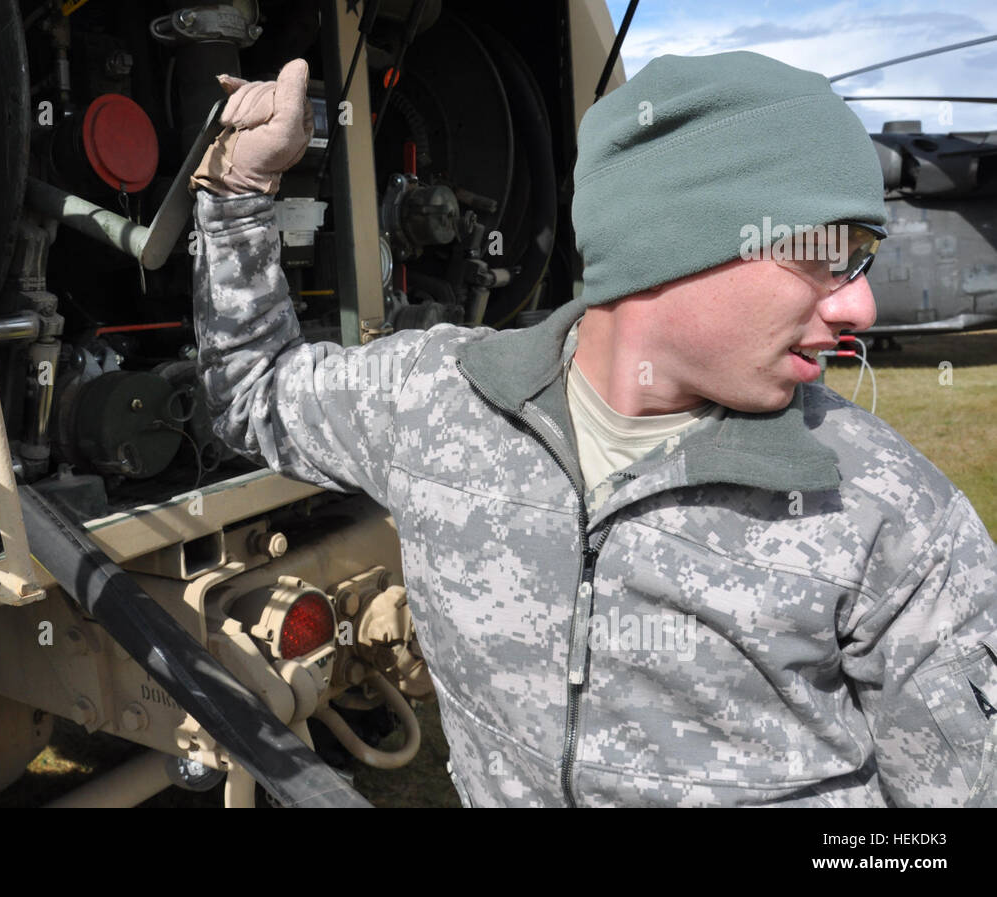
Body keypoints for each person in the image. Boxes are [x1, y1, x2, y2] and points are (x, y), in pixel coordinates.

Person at [188, 52, 997, 807]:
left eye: (862, 260)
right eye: (827, 254)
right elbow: (252, 394)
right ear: (672, 244)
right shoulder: (432, 398)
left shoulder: (886, 511)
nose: (860, 305)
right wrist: (237, 190)